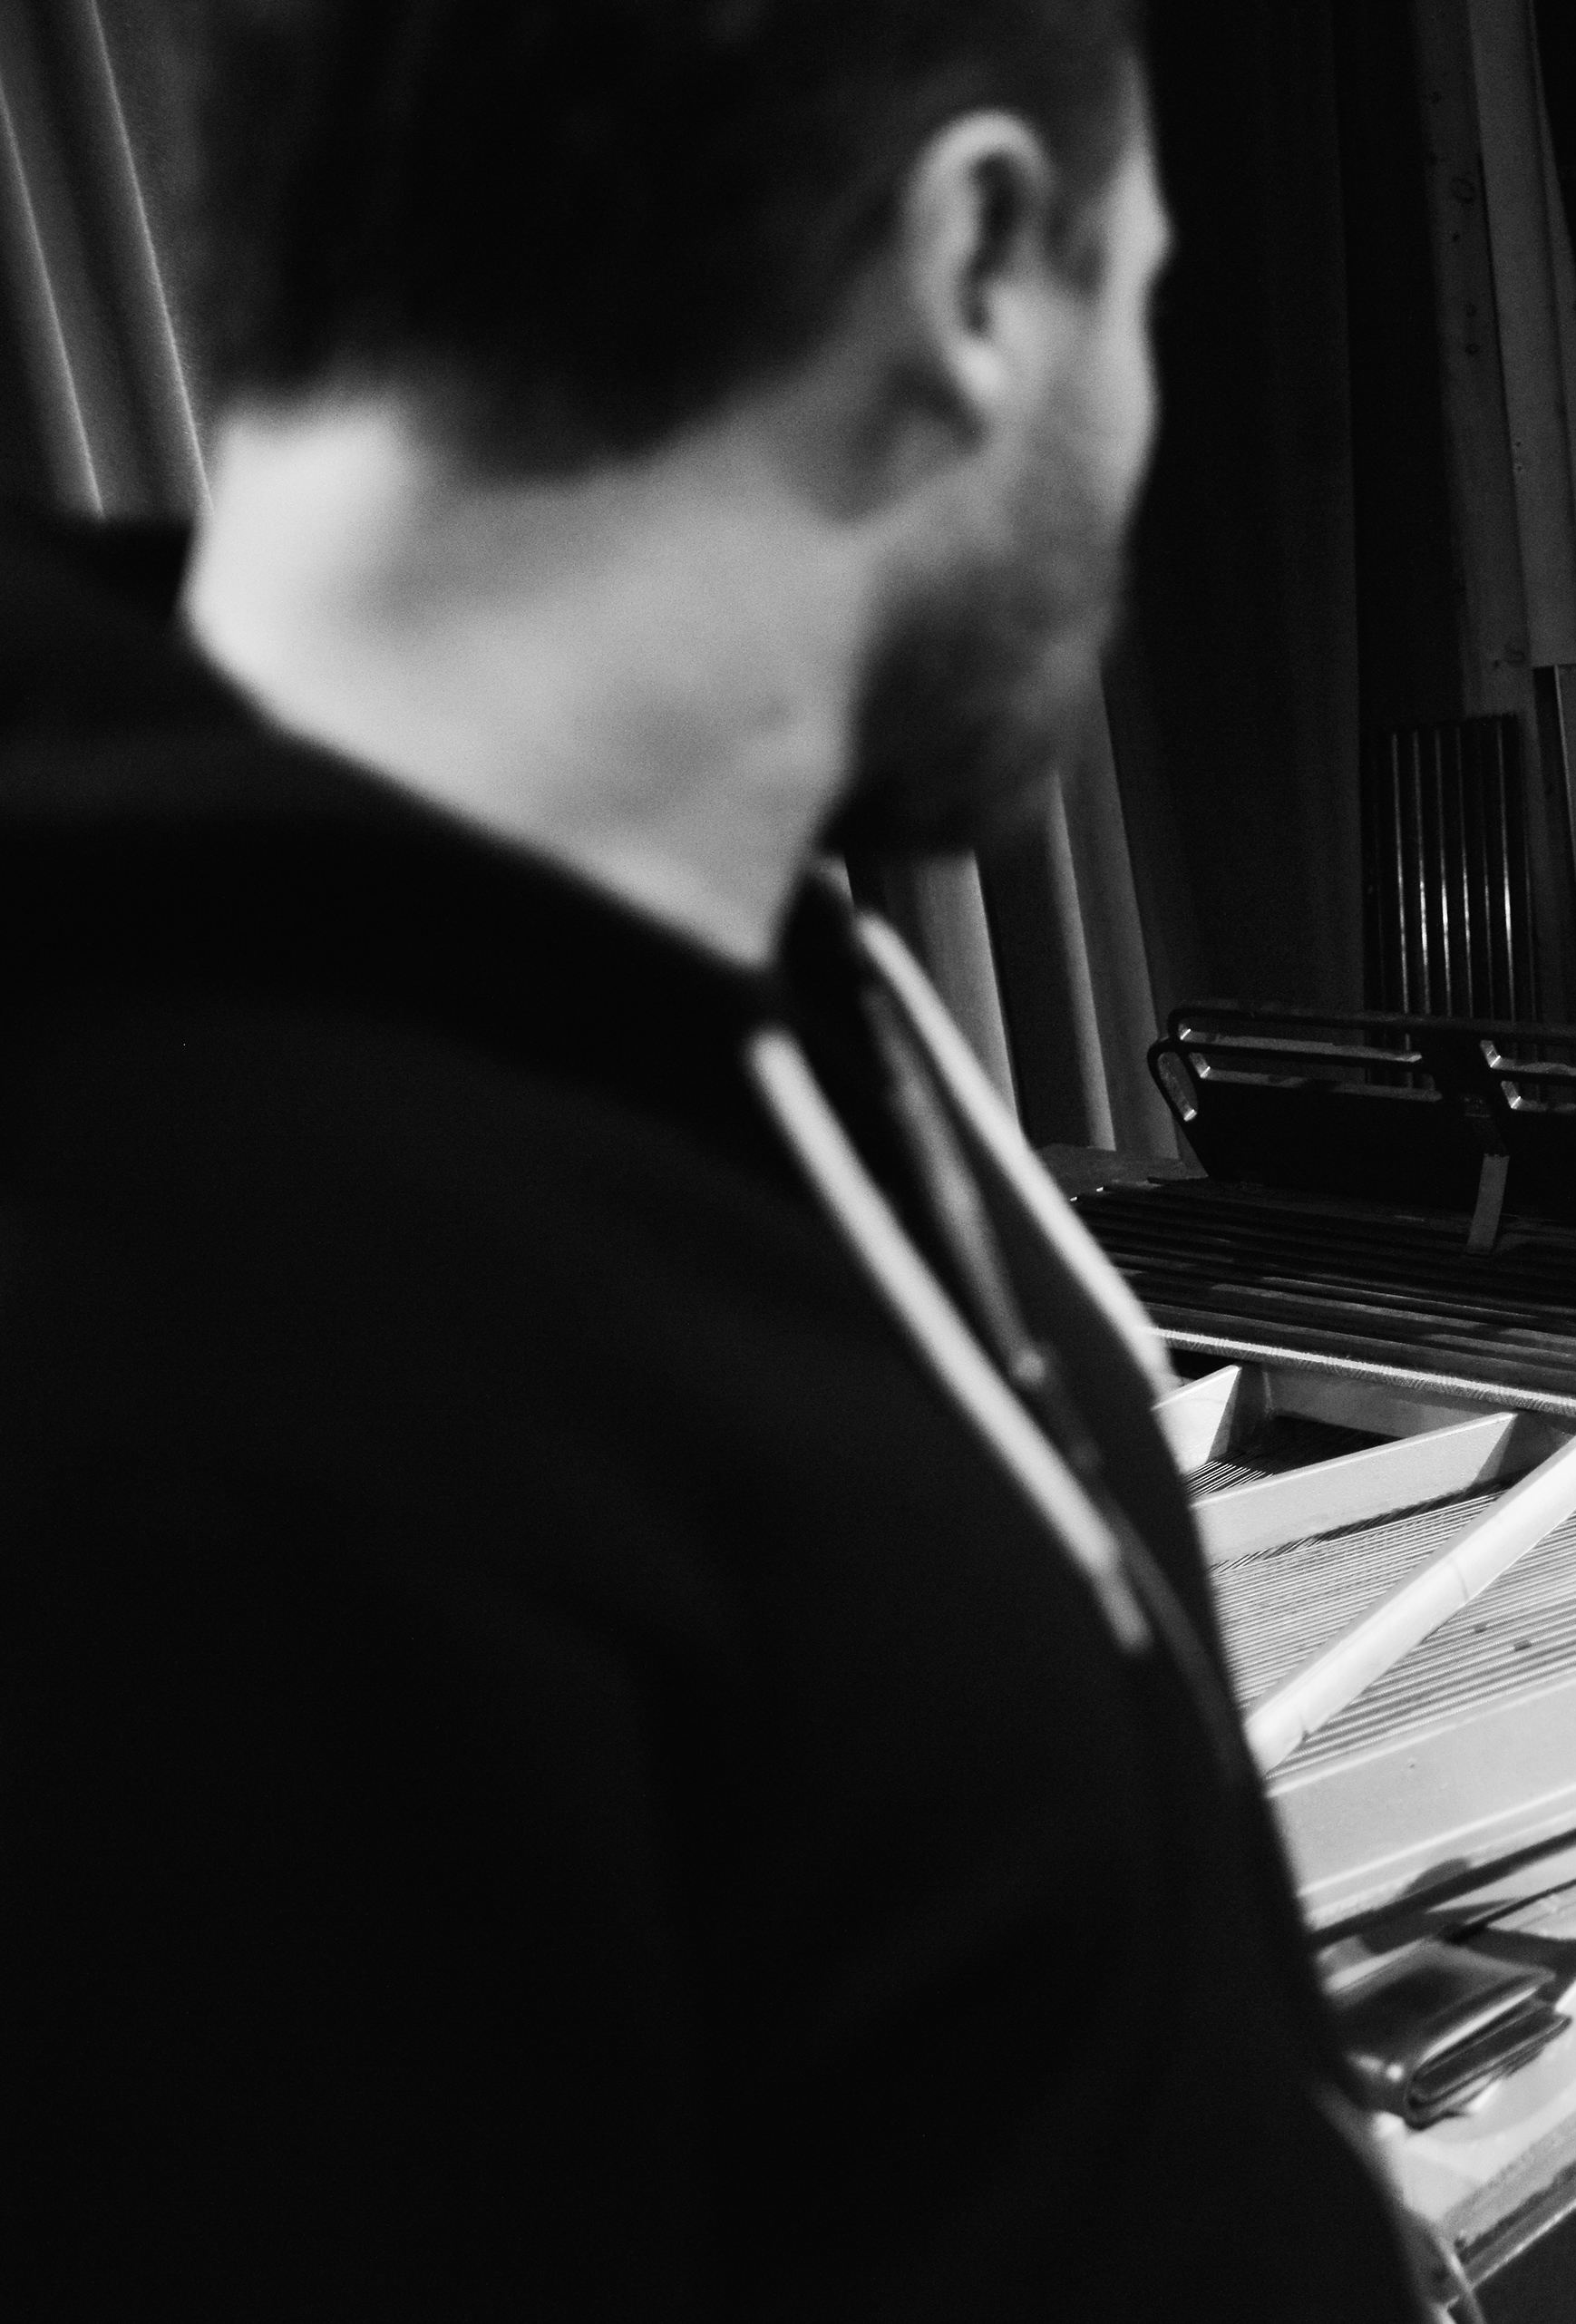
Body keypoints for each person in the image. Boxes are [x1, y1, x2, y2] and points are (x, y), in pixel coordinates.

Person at [0, 6, 1426, 2318]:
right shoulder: (169, 1414)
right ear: (977, 265)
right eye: (1144, 302)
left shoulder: (743, 971)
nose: (1143, 427)